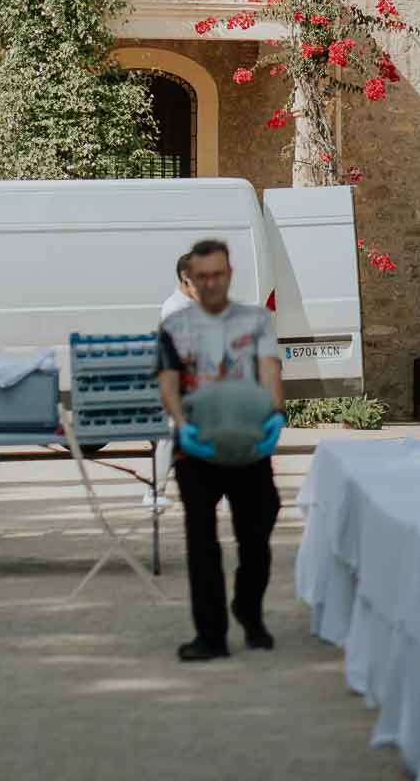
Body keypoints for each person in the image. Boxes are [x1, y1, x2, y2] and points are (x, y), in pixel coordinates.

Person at [156, 237, 285, 663]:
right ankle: (210, 635)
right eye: (201, 276)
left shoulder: (255, 321)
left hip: (250, 446)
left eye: (217, 274)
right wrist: (180, 424)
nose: (210, 282)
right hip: (197, 450)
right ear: (189, 279)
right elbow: (168, 383)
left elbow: (269, 368)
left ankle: (249, 611)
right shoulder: (174, 327)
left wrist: (276, 414)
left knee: (256, 535)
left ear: (229, 275)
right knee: (202, 543)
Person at [146, 254, 197, 508]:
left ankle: (156, 490)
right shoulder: (175, 308)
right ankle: (154, 490)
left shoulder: (187, 305)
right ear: (186, 279)